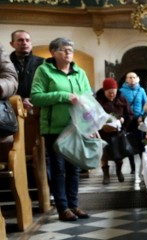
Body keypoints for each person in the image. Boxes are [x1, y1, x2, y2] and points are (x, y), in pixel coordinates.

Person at [31, 37, 92, 221]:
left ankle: (74, 205)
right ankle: (63, 208)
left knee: (74, 169)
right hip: (54, 128)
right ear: (53, 52)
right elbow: (36, 97)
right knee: (58, 169)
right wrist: (64, 95)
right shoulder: (44, 71)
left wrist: (90, 124)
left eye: (70, 50)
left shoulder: (79, 72)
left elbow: (88, 98)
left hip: (75, 127)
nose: (68, 53)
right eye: (64, 50)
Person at [96, 78, 133, 184]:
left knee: (119, 154)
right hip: (103, 133)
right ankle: (106, 176)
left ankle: (119, 171)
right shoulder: (98, 100)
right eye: (109, 93)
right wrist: (101, 125)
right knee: (104, 155)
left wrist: (123, 120)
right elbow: (92, 116)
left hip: (118, 132)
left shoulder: (121, 99)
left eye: (114, 92)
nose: (112, 95)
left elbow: (129, 114)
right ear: (104, 91)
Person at [120, 72, 147, 174]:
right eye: (130, 77)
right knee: (129, 143)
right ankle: (132, 167)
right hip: (127, 121)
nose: (132, 79)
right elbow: (120, 107)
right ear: (126, 79)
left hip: (138, 120)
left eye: (134, 77)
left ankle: (143, 167)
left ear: (137, 79)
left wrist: (142, 115)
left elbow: (145, 105)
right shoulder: (121, 91)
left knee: (141, 143)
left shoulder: (141, 91)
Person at [8, 29, 43, 110]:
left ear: (31, 43)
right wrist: (21, 100)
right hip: (12, 108)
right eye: (20, 40)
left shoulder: (42, 63)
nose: (24, 43)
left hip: (38, 108)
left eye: (27, 40)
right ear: (12, 44)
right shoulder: (5, 63)